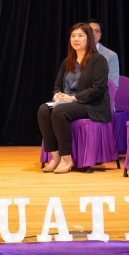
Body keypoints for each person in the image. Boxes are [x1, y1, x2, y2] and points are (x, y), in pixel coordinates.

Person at [37, 22, 111, 174]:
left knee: (59, 112)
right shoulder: (67, 61)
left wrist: (74, 98)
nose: (76, 39)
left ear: (89, 38)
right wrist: (57, 95)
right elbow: (57, 85)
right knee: (43, 110)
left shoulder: (98, 60)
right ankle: (55, 157)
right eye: (73, 36)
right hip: (68, 102)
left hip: (91, 104)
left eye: (80, 36)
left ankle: (67, 159)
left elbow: (98, 88)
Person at [88, 19, 119, 89]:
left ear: (100, 35)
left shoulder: (111, 55)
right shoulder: (78, 53)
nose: (94, 34)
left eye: (97, 31)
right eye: (90, 31)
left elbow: (113, 86)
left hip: (101, 94)